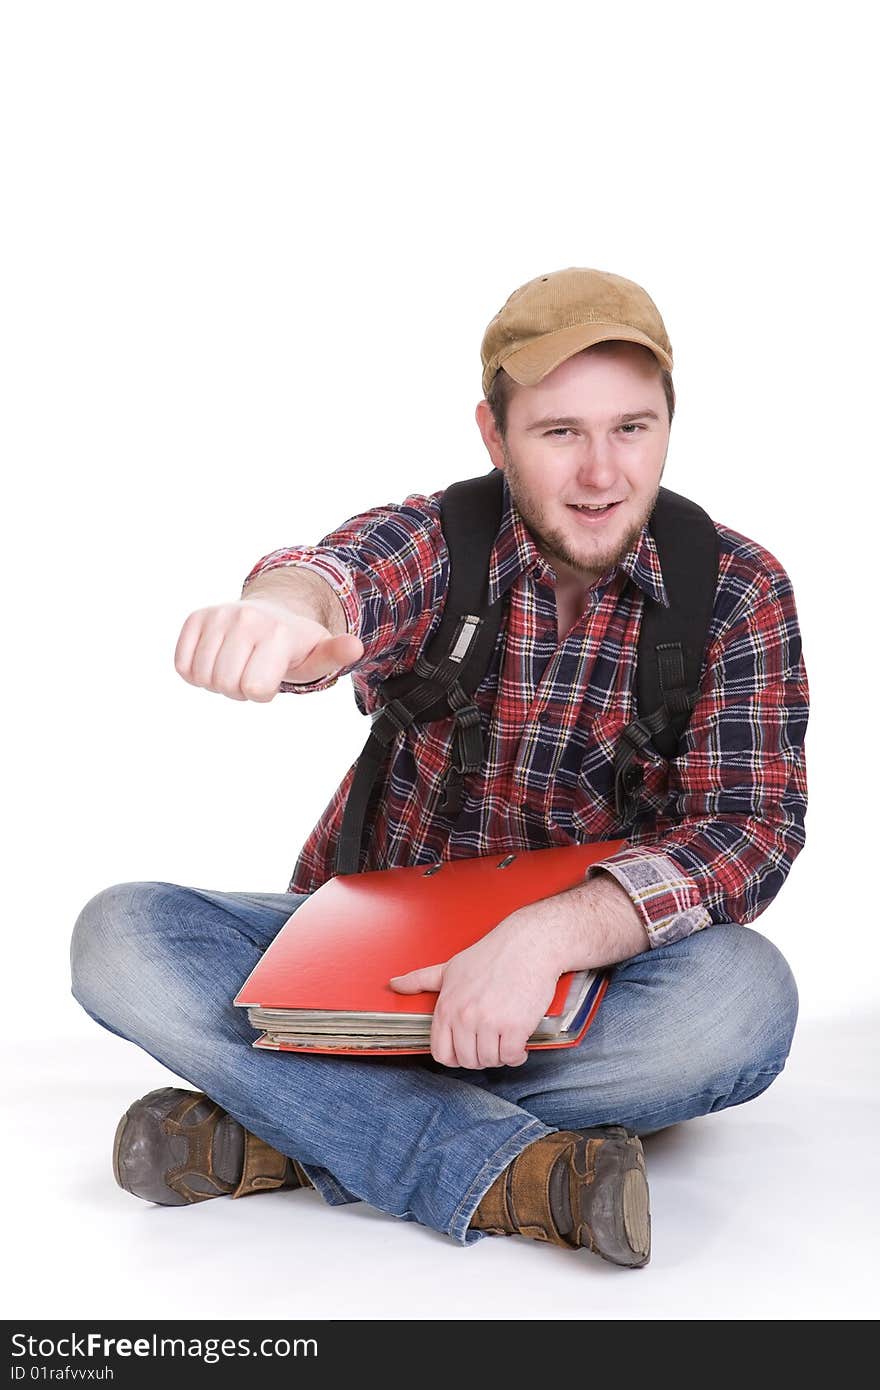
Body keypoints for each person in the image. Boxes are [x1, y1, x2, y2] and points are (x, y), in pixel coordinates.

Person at [70, 267, 808, 1270]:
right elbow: (338, 579)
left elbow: (747, 833)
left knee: (742, 1004)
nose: (600, 473)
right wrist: (287, 616)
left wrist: (543, 938)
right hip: (368, 969)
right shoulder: (443, 542)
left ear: (668, 425)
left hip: (587, 983)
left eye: (630, 429)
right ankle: (514, 1172)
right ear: (494, 436)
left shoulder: (736, 589)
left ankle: (283, 1127)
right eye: (559, 434)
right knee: (121, 937)